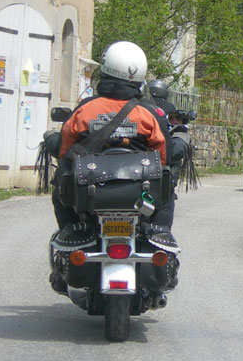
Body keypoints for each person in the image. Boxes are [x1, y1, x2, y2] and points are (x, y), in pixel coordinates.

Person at [51, 41, 177, 254]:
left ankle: (72, 228)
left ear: (106, 68)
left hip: (90, 191)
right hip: (139, 193)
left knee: (60, 183)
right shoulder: (148, 115)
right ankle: (159, 230)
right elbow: (163, 157)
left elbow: (65, 151)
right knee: (167, 182)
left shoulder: (84, 110)